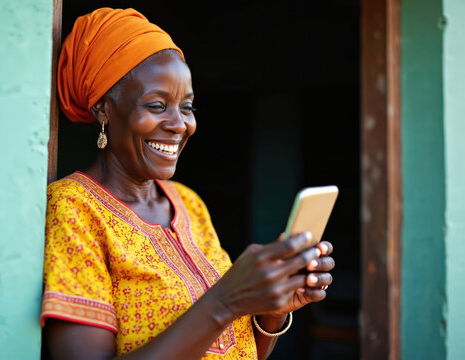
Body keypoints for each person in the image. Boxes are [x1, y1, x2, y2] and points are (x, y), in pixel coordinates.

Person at [41, 8, 334, 360]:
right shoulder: (74, 208)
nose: (179, 124)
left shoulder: (188, 204)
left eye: (187, 107)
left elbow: (239, 350)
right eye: (156, 105)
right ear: (104, 109)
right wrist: (226, 300)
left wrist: (272, 310)